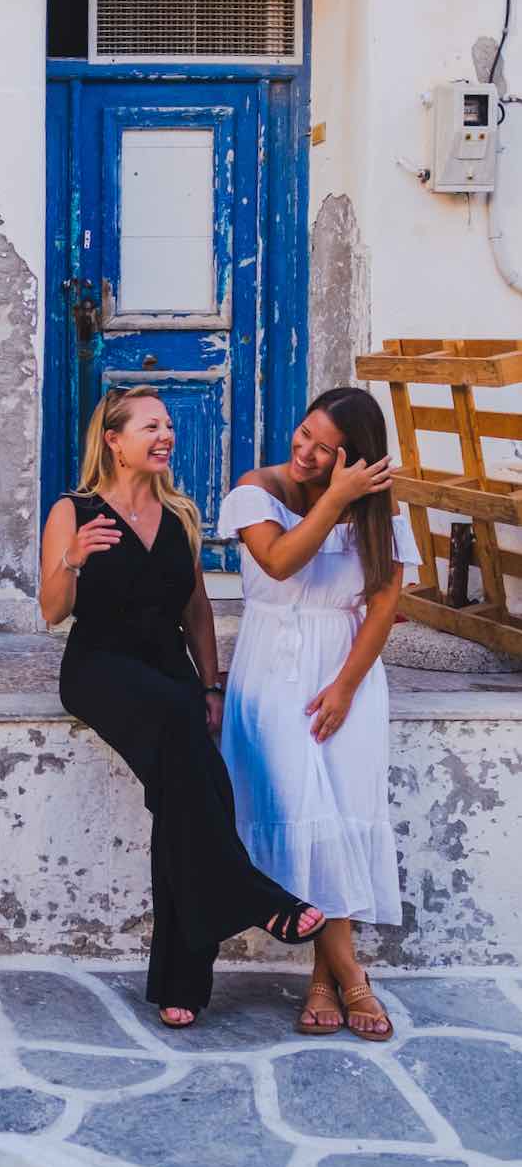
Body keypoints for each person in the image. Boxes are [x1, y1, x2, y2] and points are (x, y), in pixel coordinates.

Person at [42, 388, 326, 1029]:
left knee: (188, 797)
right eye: (151, 425)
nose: (166, 433)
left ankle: (182, 987)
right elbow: (52, 610)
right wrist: (71, 558)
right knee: (187, 747)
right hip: (100, 668)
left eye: (169, 424)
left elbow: (197, 608)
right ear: (113, 440)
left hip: (169, 673)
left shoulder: (179, 514)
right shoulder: (74, 510)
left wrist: (211, 685)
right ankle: (254, 895)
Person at [217, 386, 415, 1040]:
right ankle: (354, 977)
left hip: (346, 674)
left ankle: (323, 978)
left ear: (353, 458)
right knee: (309, 814)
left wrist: (345, 687)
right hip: (274, 670)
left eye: (323, 449)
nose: (303, 451)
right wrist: (335, 497)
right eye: (303, 434)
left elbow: (386, 600)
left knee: (342, 814)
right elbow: (278, 561)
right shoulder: (255, 488)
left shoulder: (379, 510)